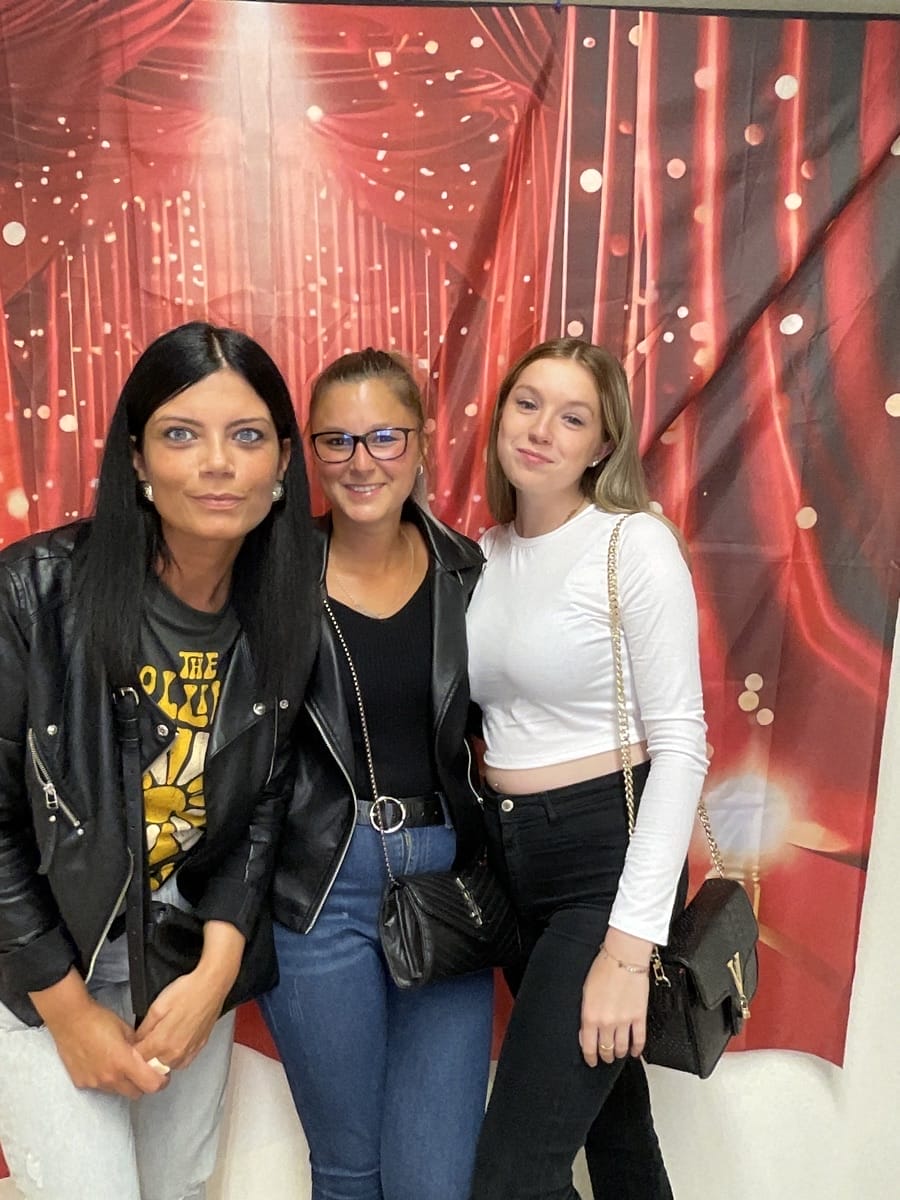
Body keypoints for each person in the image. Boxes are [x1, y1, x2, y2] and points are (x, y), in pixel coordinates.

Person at [0, 321, 318, 1200]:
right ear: (137, 459)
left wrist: (216, 971)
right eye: (181, 434)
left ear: (281, 463)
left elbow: (263, 804)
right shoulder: (31, 593)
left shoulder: (285, 608)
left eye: (246, 435)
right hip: (37, 968)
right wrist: (67, 1011)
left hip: (181, 965)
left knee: (175, 1190)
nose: (217, 463)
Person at [466, 338, 709, 1199]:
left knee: (513, 1177)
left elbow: (682, 745)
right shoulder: (482, 555)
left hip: (605, 859)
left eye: (572, 418)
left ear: (603, 445)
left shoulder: (630, 544)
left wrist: (628, 950)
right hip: (509, 863)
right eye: (527, 404)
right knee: (616, 1132)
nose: (541, 431)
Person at [262, 348, 494, 1200]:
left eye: (385, 436)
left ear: (423, 441)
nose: (362, 462)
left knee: (438, 1181)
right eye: (337, 440)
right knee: (349, 1170)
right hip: (319, 885)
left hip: (444, 877)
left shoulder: (472, 574)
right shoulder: (271, 574)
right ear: (310, 452)